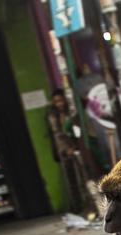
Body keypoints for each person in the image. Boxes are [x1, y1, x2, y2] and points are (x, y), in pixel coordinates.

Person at [47, 89, 100, 222]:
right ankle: (80, 207)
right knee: (72, 180)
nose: (59, 104)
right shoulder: (53, 115)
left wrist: (76, 146)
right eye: (56, 102)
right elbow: (57, 134)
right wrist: (65, 149)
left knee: (84, 177)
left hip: (77, 149)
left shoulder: (71, 112)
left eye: (60, 100)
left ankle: (92, 206)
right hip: (65, 151)